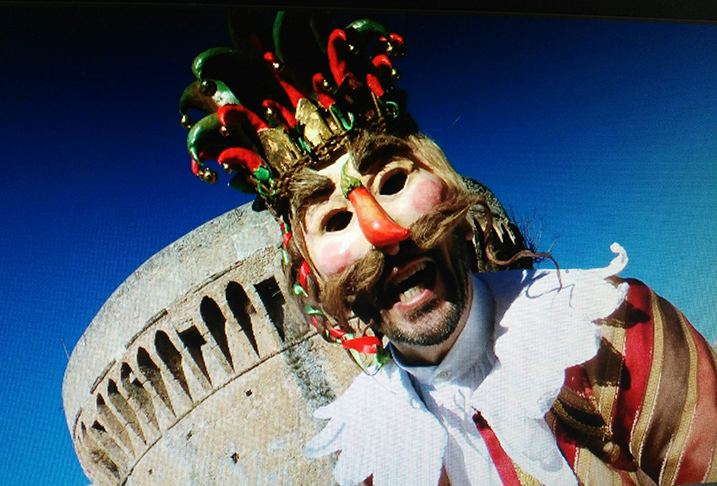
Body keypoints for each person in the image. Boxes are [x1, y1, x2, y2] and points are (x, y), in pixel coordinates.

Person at [180, 11, 717, 486]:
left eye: (392, 182)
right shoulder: (375, 457)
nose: (382, 233)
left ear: (456, 201)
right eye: (337, 220)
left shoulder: (610, 332)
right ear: (314, 283)